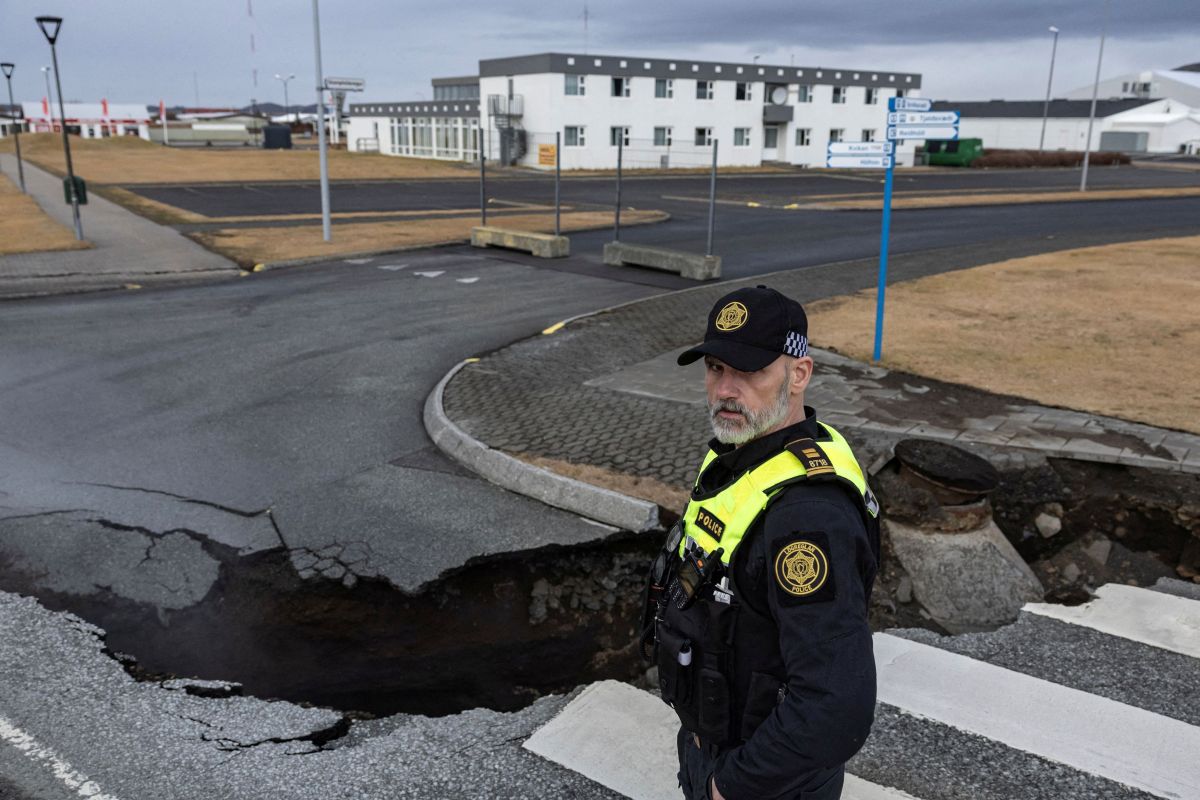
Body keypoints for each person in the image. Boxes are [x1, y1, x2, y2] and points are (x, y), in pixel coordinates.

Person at [642, 285, 881, 800]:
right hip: (713, 742)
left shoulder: (806, 517)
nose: (725, 389)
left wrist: (730, 787)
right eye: (714, 369)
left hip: (765, 780)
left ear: (798, 374)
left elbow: (837, 706)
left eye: (748, 372)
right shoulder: (744, 457)